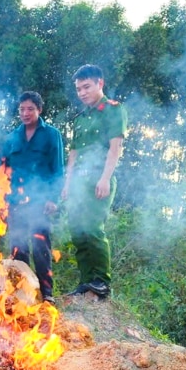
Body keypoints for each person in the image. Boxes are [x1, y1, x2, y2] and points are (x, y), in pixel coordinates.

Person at [61, 64, 128, 298]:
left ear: (100, 83)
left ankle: (101, 280)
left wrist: (105, 178)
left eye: (86, 87)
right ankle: (86, 280)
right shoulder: (80, 119)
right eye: (78, 89)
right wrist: (67, 184)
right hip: (78, 183)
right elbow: (74, 154)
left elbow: (115, 147)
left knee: (92, 228)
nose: (82, 93)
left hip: (99, 180)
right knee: (77, 231)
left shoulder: (113, 110)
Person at [1, 91, 64, 305]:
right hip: (15, 201)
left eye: (30, 109)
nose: (25, 113)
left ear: (39, 110)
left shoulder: (51, 134)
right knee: (18, 248)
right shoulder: (12, 138)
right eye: (22, 109)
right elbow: (2, 171)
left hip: (40, 200)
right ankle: (23, 293)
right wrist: (1, 200)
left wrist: (53, 198)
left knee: (40, 247)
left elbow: (58, 169)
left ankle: (47, 294)